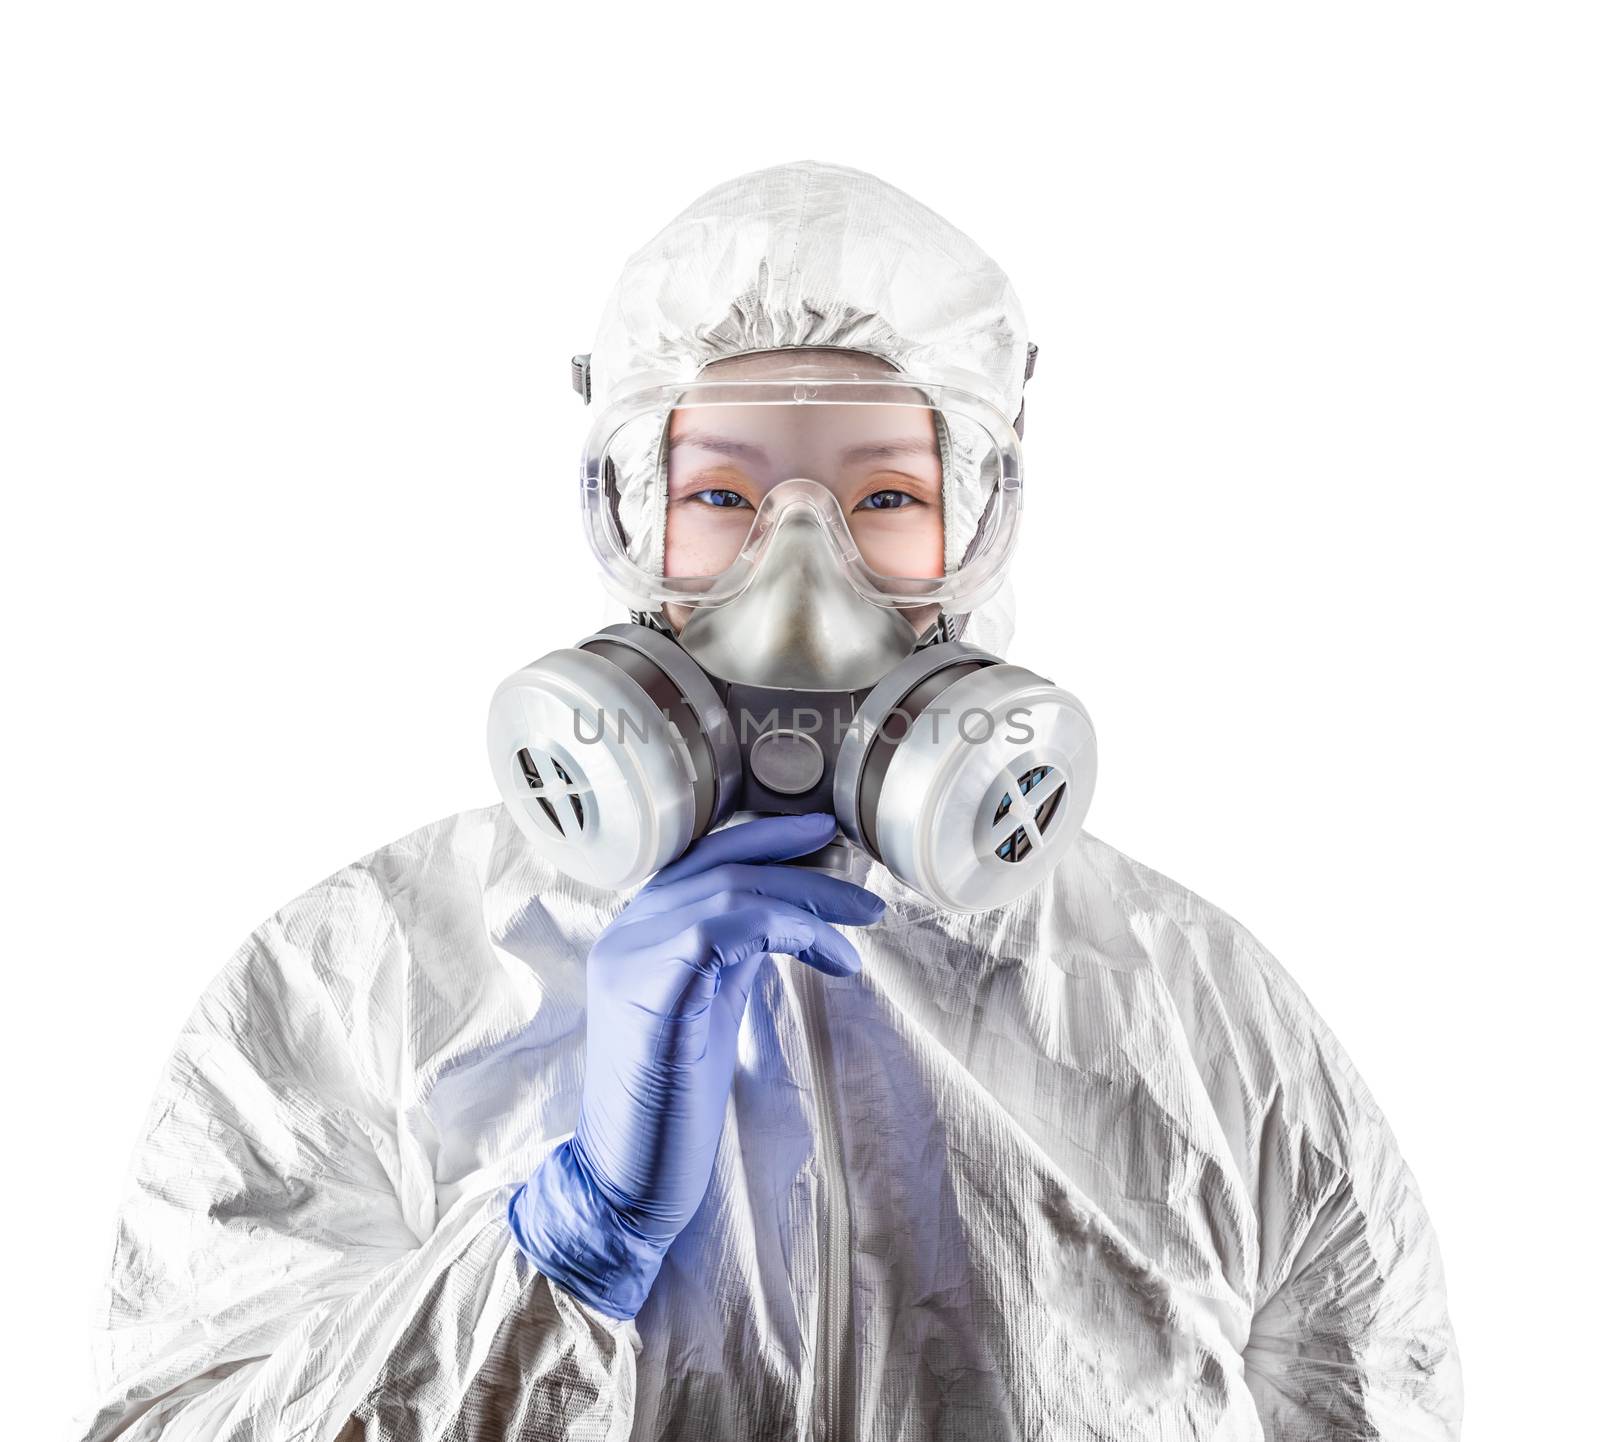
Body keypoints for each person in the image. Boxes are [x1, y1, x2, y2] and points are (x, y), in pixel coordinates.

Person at [75, 160, 1462, 1441]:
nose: (803, 578)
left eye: (884, 500)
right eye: (728, 496)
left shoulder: (1204, 1021)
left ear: (972, 536)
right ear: (635, 522)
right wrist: (566, 1240)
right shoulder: (359, 988)